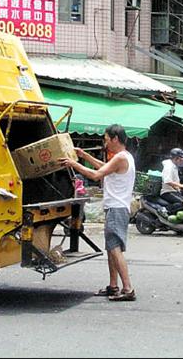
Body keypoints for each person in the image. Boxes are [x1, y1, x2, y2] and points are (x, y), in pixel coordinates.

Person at [59, 124, 136, 301]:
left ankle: (128, 288)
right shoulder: (124, 157)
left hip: (117, 208)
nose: (105, 143)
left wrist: (74, 164)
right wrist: (84, 155)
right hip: (117, 207)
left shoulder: (120, 158)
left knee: (115, 248)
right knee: (111, 248)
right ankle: (113, 286)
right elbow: (104, 168)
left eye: (107, 139)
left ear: (115, 139)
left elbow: (96, 175)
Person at [160, 148, 183, 215]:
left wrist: (180, 187)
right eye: (180, 159)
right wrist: (181, 185)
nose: (181, 161)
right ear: (176, 158)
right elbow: (167, 180)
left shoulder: (174, 166)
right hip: (167, 192)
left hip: (174, 191)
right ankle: (165, 210)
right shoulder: (169, 166)